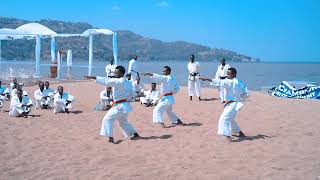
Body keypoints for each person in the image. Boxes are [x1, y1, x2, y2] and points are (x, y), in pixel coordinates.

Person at [85, 65, 140, 143]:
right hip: (124, 105)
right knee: (123, 122)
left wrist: (94, 77)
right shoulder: (128, 82)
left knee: (107, 119)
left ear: (121, 74)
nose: (115, 74)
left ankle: (110, 139)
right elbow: (131, 94)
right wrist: (125, 100)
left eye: (116, 73)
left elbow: (106, 81)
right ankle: (134, 134)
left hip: (119, 106)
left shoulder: (119, 81)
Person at [199, 67, 249, 142]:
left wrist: (206, 79)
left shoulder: (229, 82)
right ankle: (240, 133)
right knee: (231, 119)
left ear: (234, 74)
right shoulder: (240, 82)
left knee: (223, 119)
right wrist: (239, 97)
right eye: (227, 74)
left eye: (229, 74)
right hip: (236, 104)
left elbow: (218, 82)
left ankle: (228, 137)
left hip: (232, 105)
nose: (227, 75)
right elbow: (246, 94)